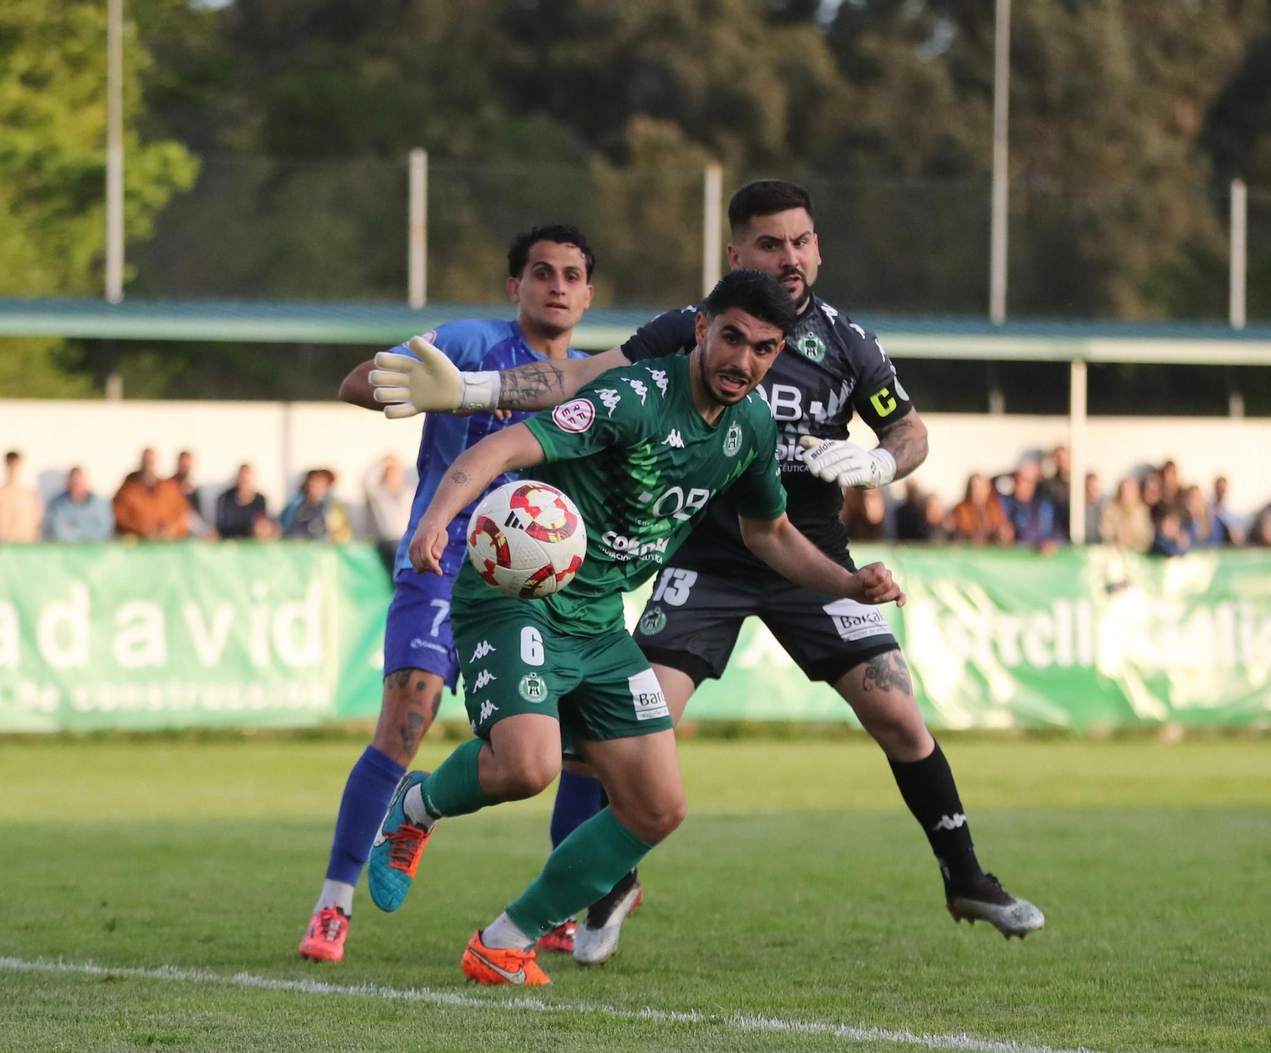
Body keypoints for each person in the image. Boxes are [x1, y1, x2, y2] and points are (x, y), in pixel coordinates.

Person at [371, 181, 1043, 958]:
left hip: (767, 565)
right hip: (627, 578)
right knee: (553, 760)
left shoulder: (827, 359)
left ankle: (963, 876)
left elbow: (849, 479)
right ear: (722, 285)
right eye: (769, 244)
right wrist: (469, 414)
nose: (786, 259)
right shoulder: (659, 363)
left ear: (815, 253)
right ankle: (490, 842)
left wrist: (874, 477)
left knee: (820, 742)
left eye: (800, 243)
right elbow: (558, 399)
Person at [368, 269, 905, 987]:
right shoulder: (633, 398)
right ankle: (414, 807)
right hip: (518, 599)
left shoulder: (750, 427)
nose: (742, 359)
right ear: (702, 329)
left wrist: (848, 582)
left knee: (657, 807)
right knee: (530, 766)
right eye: (732, 337)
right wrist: (436, 518)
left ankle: (505, 939)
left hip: (597, 621)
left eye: (763, 348)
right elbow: (501, 450)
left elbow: (770, 532)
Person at [297, 224, 597, 964]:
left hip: (542, 583)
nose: (556, 285)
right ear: (514, 287)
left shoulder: (597, 378)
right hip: (445, 554)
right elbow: (358, 380)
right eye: (541, 273)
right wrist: (418, 387)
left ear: (588, 294)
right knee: (409, 711)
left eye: (571, 275)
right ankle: (334, 904)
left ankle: (564, 905)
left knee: (584, 741)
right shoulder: (468, 342)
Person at [113, 449, 190, 540]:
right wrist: (142, 530)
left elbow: (182, 515)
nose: (149, 467)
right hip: (139, 543)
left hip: (168, 544)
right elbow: (120, 517)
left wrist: (171, 529)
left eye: (151, 463)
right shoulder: (128, 490)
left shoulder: (169, 489)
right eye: (146, 462)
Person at [1000, 459, 1061, 552]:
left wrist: (1051, 543)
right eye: (1017, 480)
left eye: (1025, 481)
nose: (1019, 485)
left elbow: (1058, 532)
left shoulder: (1044, 507)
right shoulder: (1006, 503)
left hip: (1037, 558)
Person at [365, 454, 411, 570]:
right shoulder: (379, 494)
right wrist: (381, 462)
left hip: (407, 539)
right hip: (388, 540)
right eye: (390, 473)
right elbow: (366, 480)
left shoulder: (409, 493)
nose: (393, 476)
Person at [0, 451, 41, 543]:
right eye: (11, 465)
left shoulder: (30, 495)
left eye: (16, 465)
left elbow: (36, 525)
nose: (13, 469)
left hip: (25, 545)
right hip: (2, 545)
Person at [44, 467, 113, 542]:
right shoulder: (57, 504)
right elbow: (58, 532)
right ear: (68, 482)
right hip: (66, 550)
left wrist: (75, 532)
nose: (77, 486)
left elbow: (104, 530)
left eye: (80, 483)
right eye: (74, 483)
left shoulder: (100, 504)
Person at [281, 469, 351, 541]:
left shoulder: (332, 507)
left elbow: (344, 532)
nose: (318, 487)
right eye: (315, 484)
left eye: (323, 484)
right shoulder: (295, 506)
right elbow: (288, 531)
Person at [950, 473, 1013, 545]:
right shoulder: (961, 509)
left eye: (981, 488)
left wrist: (1003, 534)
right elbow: (965, 530)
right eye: (975, 488)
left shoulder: (994, 507)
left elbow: (1000, 525)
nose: (977, 492)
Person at [215, 464, 272, 540]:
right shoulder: (225, 498)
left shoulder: (260, 500)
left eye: (247, 481)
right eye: (242, 480)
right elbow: (220, 527)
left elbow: (263, 524)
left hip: (253, 543)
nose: (244, 485)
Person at [1098, 477, 1154, 552]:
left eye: (1129, 491)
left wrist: (1133, 541)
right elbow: (1105, 532)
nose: (1125, 494)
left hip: (1137, 553)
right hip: (1113, 551)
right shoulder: (1109, 510)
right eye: (1123, 491)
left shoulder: (1141, 512)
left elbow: (1147, 536)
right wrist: (1118, 538)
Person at [1181, 484, 1220, 549]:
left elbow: (1217, 542)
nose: (1194, 502)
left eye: (1197, 498)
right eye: (1191, 498)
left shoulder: (1212, 519)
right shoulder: (1184, 521)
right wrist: (1192, 518)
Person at [1212, 476, 1246, 545]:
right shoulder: (1209, 511)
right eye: (1220, 488)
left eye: (1223, 489)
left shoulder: (1230, 514)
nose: (1221, 492)